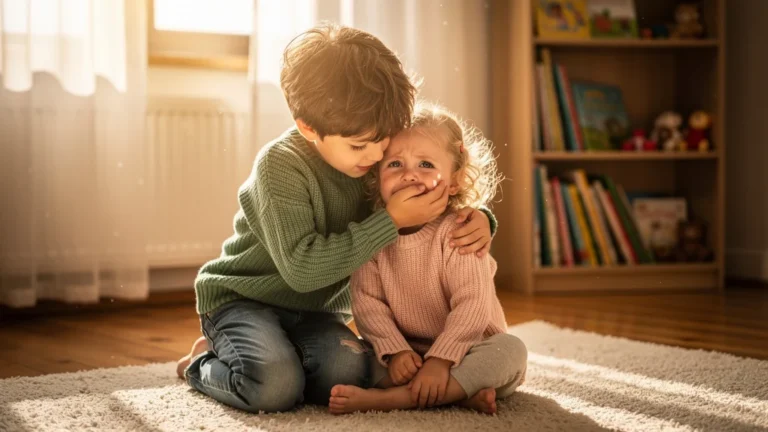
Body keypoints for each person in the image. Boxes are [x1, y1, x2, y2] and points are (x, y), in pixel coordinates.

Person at [175, 23, 498, 414]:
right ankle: (201, 363)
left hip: (318, 314)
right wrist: (390, 220)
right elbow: (303, 271)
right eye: (360, 145)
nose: (377, 155)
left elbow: (430, 194)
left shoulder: (374, 155)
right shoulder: (280, 167)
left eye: (383, 139)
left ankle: (271, 354)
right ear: (309, 128)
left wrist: (479, 217)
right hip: (245, 301)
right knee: (275, 388)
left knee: (349, 372)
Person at [329, 103, 527, 416]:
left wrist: (441, 360)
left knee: (511, 351)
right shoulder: (373, 235)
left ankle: (397, 399)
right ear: (377, 176)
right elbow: (367, 305)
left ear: (454, 180)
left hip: (468, 349)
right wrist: (395, 352)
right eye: (395, 164)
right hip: (406, 355)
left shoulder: (460, 231)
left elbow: (473, 304)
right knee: (351, 356)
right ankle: (455, 395)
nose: (409, 175)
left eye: (425, 164)